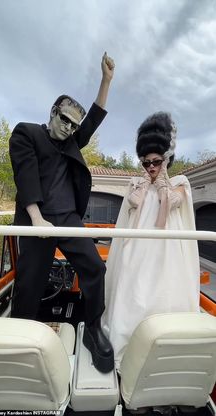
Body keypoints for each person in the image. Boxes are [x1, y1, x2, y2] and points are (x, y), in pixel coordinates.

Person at [9, 52, 115, 373]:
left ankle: (93, 329)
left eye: (74, 125)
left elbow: (93, 119)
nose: (69, 128)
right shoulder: (27, 133)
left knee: (95, 267)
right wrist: (37, 217)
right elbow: (25, 174)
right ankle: (20, 342)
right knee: (30, 283)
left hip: (68, 218)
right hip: (36, 220)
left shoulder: (71, 142)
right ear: (53, 113)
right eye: (65, 120)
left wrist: (106, 80)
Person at [102, 111, 200, 369]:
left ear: (167, 159)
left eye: (157, 161)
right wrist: (145, 183)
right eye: (146, 162)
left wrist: (162, 180)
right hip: (137, 254)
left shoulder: (179, 183)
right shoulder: (136, 184)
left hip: (167, 257)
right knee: (133, 300)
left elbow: (167, 210)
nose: (151, 167)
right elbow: (132, 211)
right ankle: (129, 362)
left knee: (164, 303)